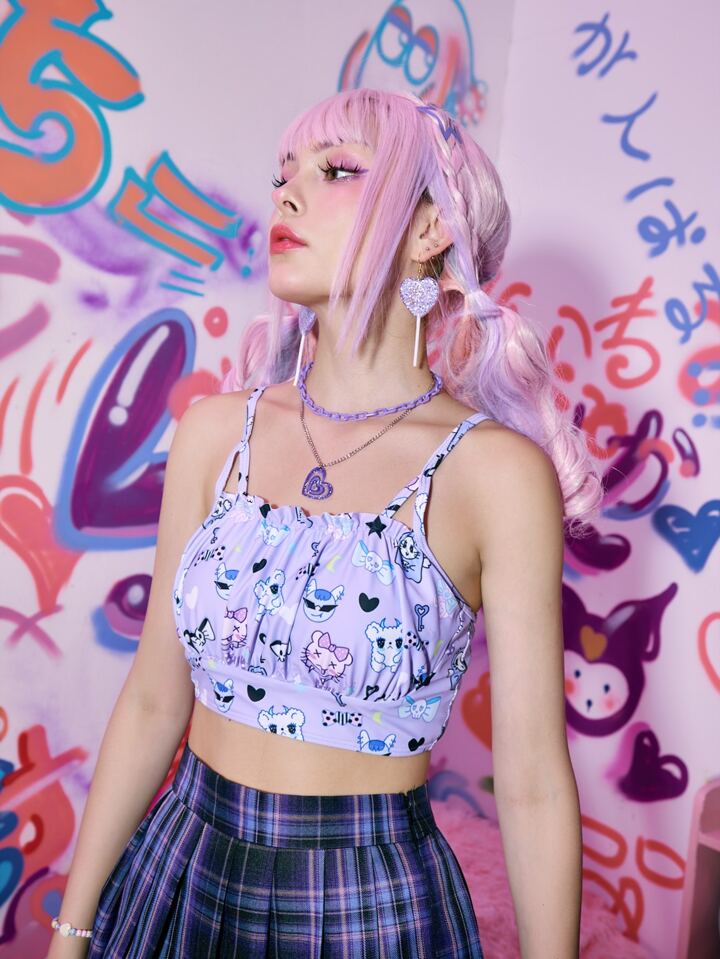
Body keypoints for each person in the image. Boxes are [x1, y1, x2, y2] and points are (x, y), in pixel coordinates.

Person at [49, 87, 601, 959]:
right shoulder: (215, 433)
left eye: (337, 169)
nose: (288, 195)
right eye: (283, 175)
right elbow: (155, 699)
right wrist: (71, 932)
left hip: (365, 901)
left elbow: (533, 781)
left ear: (430, 230)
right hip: (177, 867)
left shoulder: (494, 472)